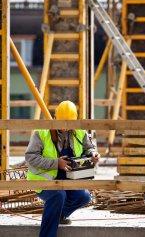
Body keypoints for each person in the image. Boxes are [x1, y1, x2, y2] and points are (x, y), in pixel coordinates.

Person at [25, 100, 100, 237]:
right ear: (55, 117)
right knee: (58, 195)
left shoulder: (79, 133)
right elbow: (30, 157)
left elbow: (89, 147)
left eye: (69, 123)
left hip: (69, 179)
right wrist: (56, 163)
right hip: (44, 179)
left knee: (84, 196)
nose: (65, 127)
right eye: (62, 123)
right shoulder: (41, 134)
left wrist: (93, 154)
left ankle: (59, 215)